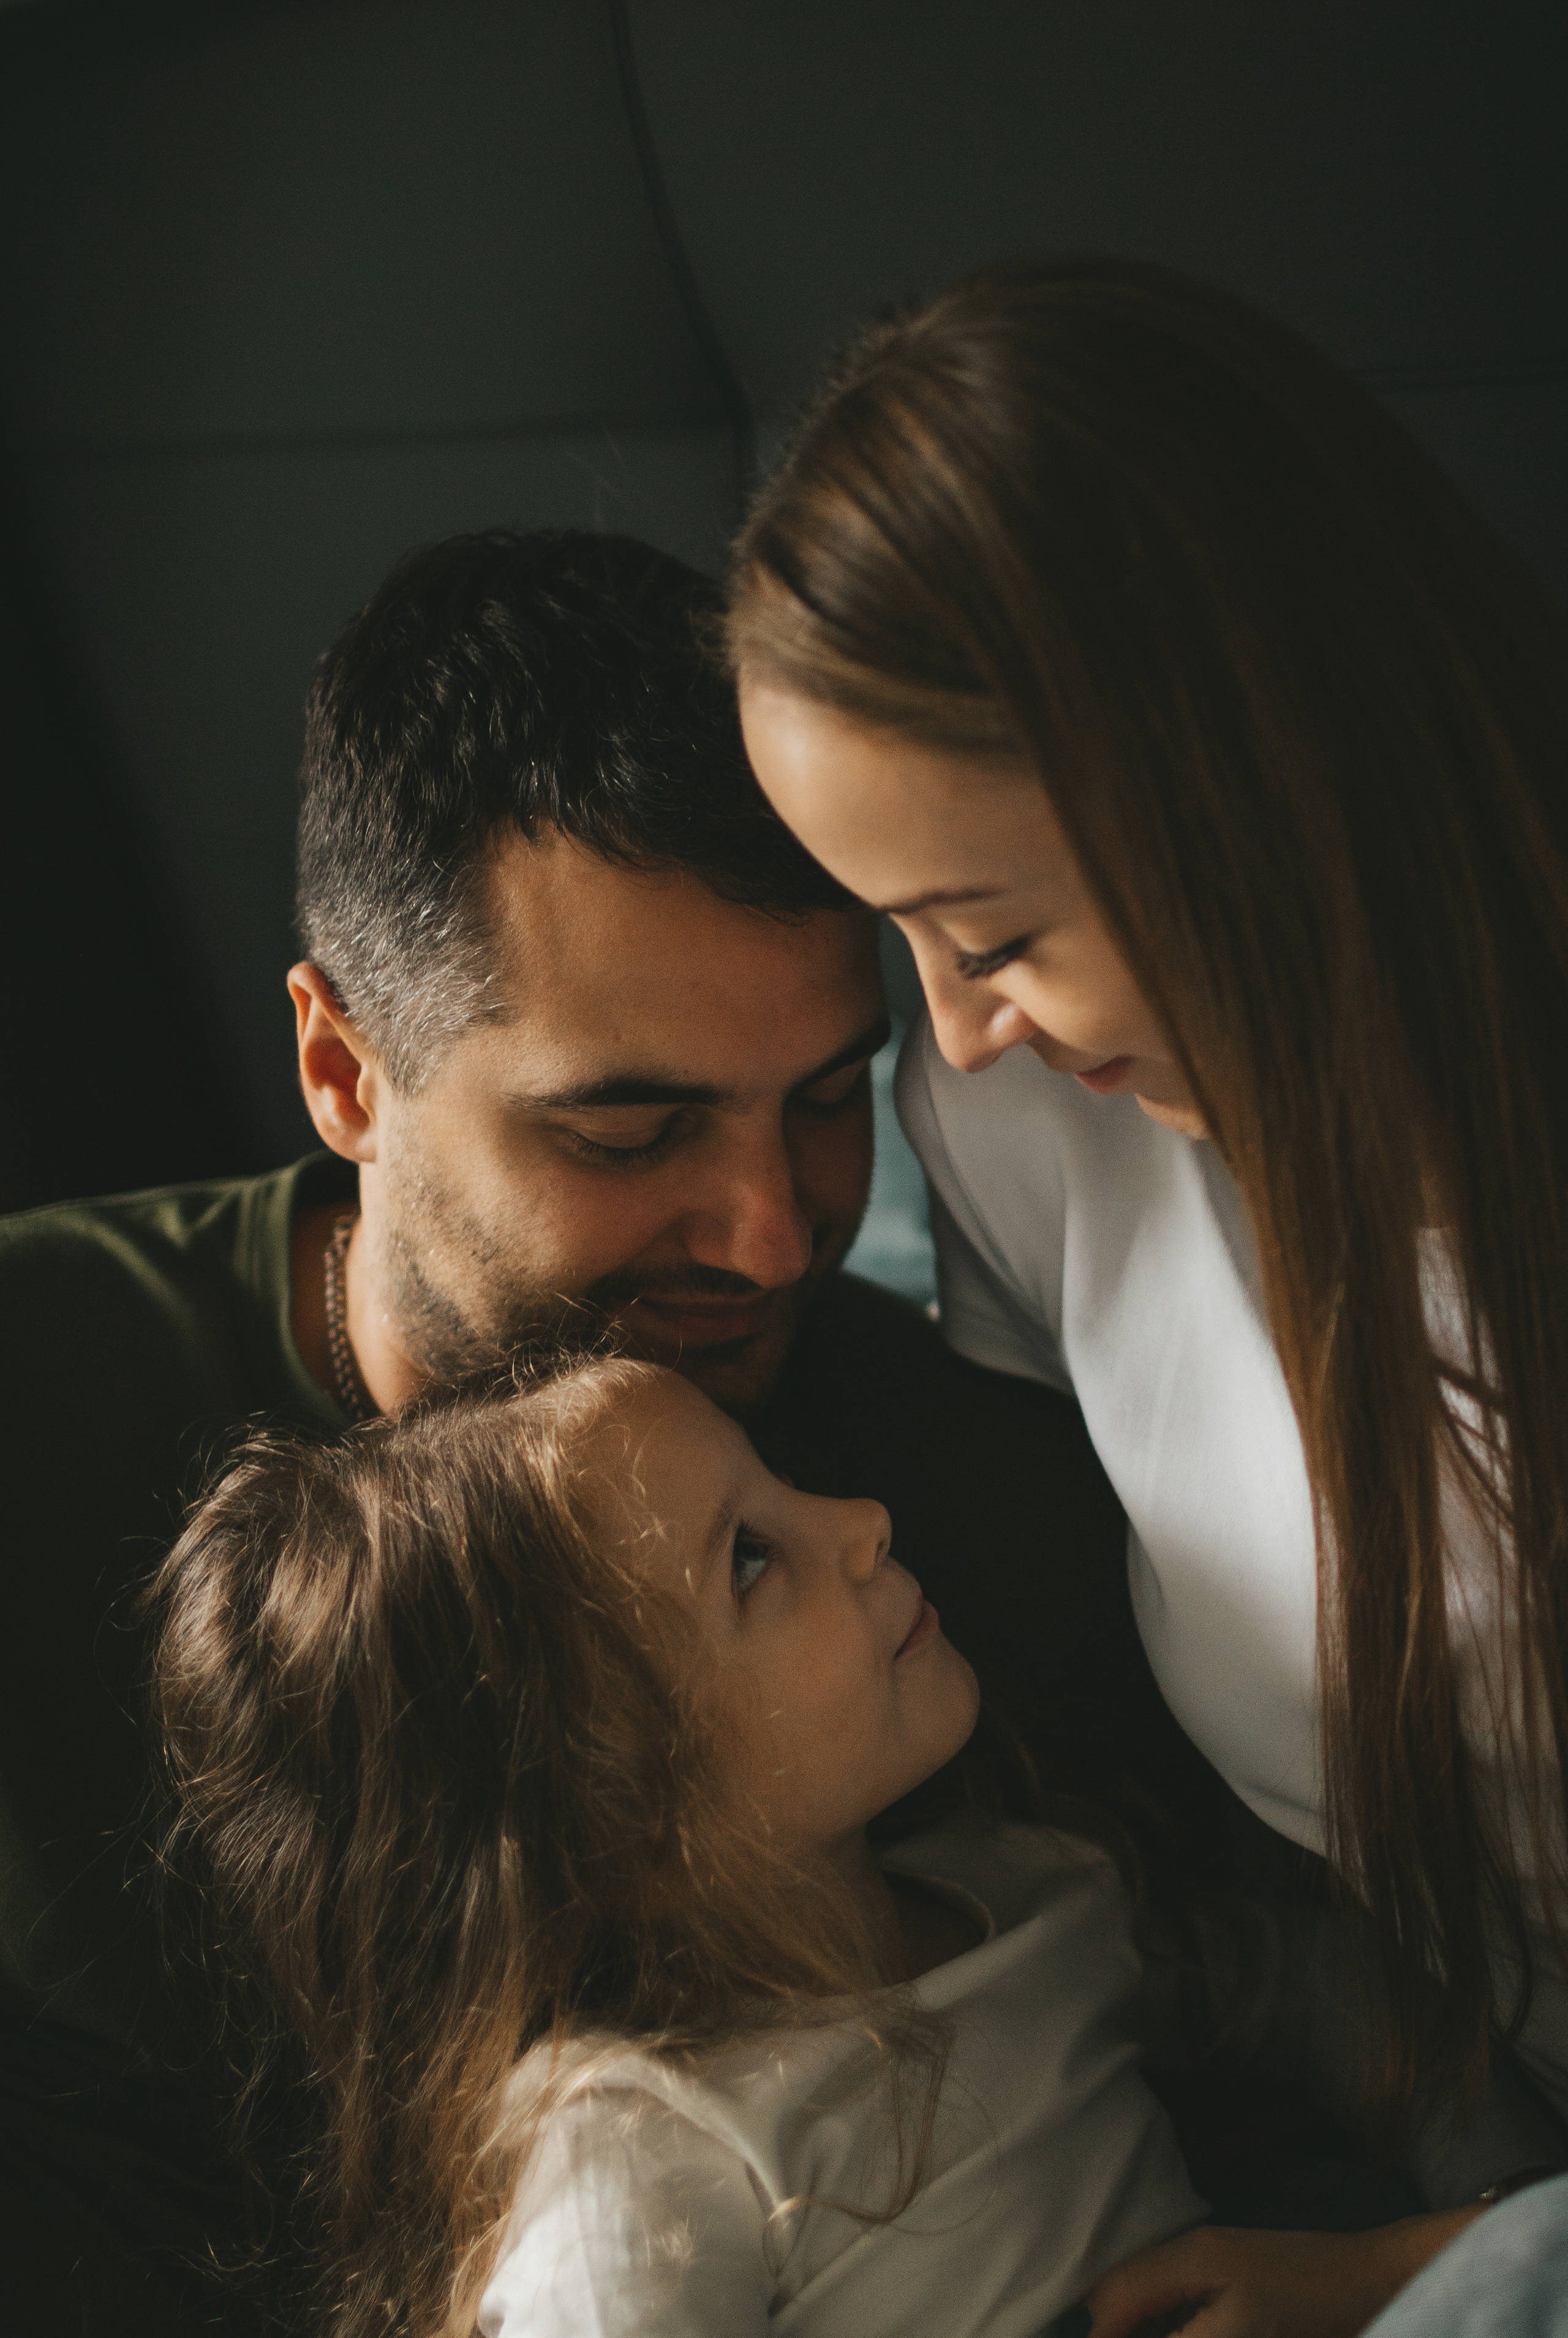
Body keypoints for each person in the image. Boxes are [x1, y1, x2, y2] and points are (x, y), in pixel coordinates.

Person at [0, 527, 1179, 2335]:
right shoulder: (46, 1390)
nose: (772, 1237)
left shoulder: (951, 1506)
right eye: (627, 1136)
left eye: (823, 1103)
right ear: (343, 1073)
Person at [726, 258, 1568, 2334]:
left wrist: (1432, 2269)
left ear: (1250, 792)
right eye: (893, 939)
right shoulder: (1030, 1131)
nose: (955, 1038)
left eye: (986, 929)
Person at [146, 1356, 1555, 2338]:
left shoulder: (1028, 1891)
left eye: (786, 1489)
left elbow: (1337, 1994)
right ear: (621, 1823)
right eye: (751, 1558)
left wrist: (1477, 2215)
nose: (862, 1523)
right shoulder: (642, 2139)